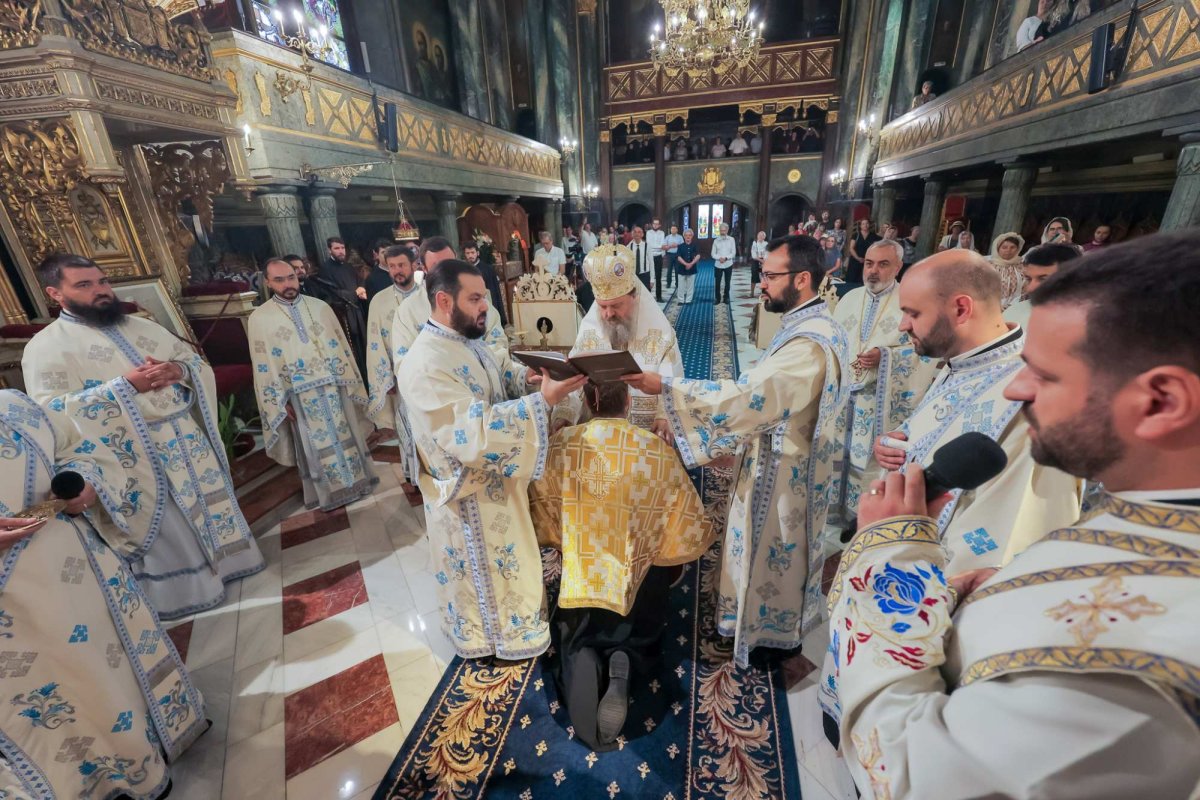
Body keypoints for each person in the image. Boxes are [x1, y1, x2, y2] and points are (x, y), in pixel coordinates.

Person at [826, 228, 1200, 799]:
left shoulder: (1126, 650)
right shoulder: (1149, 521)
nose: (1015, 390)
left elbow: (916, 773)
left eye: (1045, 375)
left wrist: (887, 558)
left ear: (1161, 401)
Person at [823, 248, 1082, 730]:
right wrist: (901, 444)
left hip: (932, 601)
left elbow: (1004, 537)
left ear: (961, 308)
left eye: (912, 313)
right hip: (900, 557)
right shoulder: (964, 362)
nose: (903, 325)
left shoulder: (1027, 401)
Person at [623, 235, 849, 667]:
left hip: (785, 474)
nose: (761, 283)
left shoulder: (809, 344)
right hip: (790, 458)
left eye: (770, 275)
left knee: (774, 555)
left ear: (802, 279)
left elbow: (751, 398)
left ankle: (766, 637)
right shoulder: (814, 325)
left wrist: (666, 387)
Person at [22, 254, 264, 619]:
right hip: (134, 453)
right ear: (55, 293)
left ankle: (232, 564)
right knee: (172, 526)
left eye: (102, 281)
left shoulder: (141, 326)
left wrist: (178, 370)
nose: (101, 290)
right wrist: (124, 387)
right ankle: (189, 591)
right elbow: (52, 412)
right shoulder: (46, 347)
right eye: (84, 285)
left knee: (209, 507)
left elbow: (193, 362)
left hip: (184, 437)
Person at [0, 390, 207, 798]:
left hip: (87, 574)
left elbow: (76, 447)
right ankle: (102, 780)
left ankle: (147, 746)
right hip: (19, 608)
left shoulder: (13, 405)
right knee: (70, 687)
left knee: (109, 665)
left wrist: (85, 485)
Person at [396, 260, 587, 659]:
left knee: (515, 561)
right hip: (468, 496)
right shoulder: (425, 364)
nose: (485, 306)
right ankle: (493, 640)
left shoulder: (464, 339)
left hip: (495, 483)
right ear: (444, 301)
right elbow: (473, 433)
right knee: (490, 575)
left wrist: (526, 378)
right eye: (475, 299)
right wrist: (543, 402)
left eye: (483, 297)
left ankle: (518, 627)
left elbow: (495, 372)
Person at [530, 381, 714, 749]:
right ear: (629, 402)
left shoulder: (562, 446)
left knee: (576, 639)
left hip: (584, 578)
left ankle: (586, 674)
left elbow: (541, 504)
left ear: (586, 401)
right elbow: (684, 519)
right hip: (636, 579)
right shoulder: (655, 451)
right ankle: (626, 655)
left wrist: (567, 536)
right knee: (646, 603)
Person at [826, 240, 938, 535]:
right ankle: (833, 509)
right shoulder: (849, 299)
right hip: (843, 396)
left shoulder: (910, 302)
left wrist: (884, 357)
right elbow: (832, 341)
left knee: (866, 458)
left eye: (883, 264)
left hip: (878, 401)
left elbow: (924, 352)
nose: (873, 271)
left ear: (898, 267)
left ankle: (860, 516)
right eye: (869, 263)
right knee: (838, 452)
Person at [250, 258, 379, 511]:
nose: (288, 284)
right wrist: (279, 401)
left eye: (291, 277)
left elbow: (341, 348)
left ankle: (358, 483)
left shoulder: (320, 308)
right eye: (279, 280)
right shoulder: (259, 318)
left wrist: (348, 381)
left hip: (334, 387)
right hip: (298, 395)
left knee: (345, 435)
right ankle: (328, 495)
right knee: (313, 447)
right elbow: (263, 366)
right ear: (267, 282)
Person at [553, 244, 683, 438]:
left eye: (616, 305)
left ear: (634, 296)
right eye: (602, 306)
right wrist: (565, 414)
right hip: (598, 439)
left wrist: (664, 417)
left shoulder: (661, 335)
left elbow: (672, 381)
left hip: (646, 438)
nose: (608, 314)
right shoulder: (590, 331)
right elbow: (574, 379)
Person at [365, 244, 425, 492]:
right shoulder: (379, 301)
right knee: (407, 425)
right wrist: (385, 378)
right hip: (401, 377)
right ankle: (413, 474)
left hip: (430, 374)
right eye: (392, 266)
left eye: (401, 265)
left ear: (414, 265)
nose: (397, 270)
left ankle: (434, 470)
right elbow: (375, 342)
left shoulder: (428, 295)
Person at [1004, 242, 1083, 327]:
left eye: (1043, 279)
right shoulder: (1015, 312)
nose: (1031, 288)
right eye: (1029, 279)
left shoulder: (1088, 320)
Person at [321, 236, 369, 372]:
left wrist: (362, 289)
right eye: (336, 248)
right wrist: (354, 293)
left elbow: (360, 281)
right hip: (344, 314)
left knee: (364, 344)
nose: (341, 251)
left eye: (342, 248)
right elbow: (331, 293)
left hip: (357, 311)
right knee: (354, 349)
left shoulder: (349, 267)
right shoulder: (325, 269)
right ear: (329, 250)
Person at [464, 240, 507, 326]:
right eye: (467, 253)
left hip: (487, 305)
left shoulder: (487, 269)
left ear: (477, 253)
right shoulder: (462, 270)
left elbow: (494, 293)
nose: (470, 256)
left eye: (472, 253)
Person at [988, 231, 1026, 309]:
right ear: (997, 249)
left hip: (1015, 309)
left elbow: (1026, 289)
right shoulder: (987, 267)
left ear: (1018, 249)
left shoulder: (1023, 268)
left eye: (1012, 247)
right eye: (1004, 247)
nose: (1008, 250)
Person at [846, 218, 881, 289]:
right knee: (851, 279)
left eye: (867, 223)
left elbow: (878, 246)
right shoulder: (856, 235)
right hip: (855, 260)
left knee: (863, 280)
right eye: (863, 224)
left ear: (869, 225)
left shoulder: (874, 236)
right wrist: (858, 258)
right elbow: (851, 248)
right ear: (860, 226)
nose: (865, 225)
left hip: (868, 262)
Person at [712, 222, 736, 304]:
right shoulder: (716, 241)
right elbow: (713, 254)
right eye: (721, 231)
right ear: (719, 231)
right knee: (717, 282)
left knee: (727, 282)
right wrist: (719, 258)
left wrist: (726, 258)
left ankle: (726, 297)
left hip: (728, 264)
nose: (722, 232)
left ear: (727, 230)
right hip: (718, 264)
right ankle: (717, 298)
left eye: (724, 230)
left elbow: (733, 253)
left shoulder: (732, 240)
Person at [364, 237, 394, 301]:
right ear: (376, 255)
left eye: (390, 251)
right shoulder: (372, 279)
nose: (387, 255)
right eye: (383, 252)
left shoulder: (399, 271)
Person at [674, 228, 700, 303]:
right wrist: (686, 264)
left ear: (692, 236)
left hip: (692, 268)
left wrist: (691, 264)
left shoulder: (695, 245)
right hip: (681, 268)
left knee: (690, 285)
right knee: (681, 285)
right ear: (684, 236)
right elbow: (678, 257)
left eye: (689, 235)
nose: (688, 237)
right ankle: (681, 300)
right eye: (686, 235)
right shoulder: (680, 246)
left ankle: (688, 300)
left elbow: (698, 255)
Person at [645, 218, 667, 302]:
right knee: (649, 276)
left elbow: (662, 244)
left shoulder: (662, 233)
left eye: (657, 224)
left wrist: (660, 247)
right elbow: (649, 244)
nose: (655, 225)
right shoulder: (648, 233)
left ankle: (659, 297)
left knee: (658, 277)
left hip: (658, 256)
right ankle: (649, 297)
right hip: (650, 257)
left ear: (659, 225)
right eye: (654, 224)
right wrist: (660, 247)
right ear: (652, 224)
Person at [627, 225, 651, 291]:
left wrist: (652, 279)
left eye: (639, 232)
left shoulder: (647, 246)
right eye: (635, 232)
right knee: (634, 294)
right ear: (632, 234)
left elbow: (651, 263)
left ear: (642, 234)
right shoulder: (629, 247)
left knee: (645, 294)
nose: (637, 234)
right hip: (633, 275)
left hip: (645, 274)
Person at [663, 223, 684, 292]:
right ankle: (668, 283)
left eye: (674, 229)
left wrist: (677, 245)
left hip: (677, 255)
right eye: (672, 229)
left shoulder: (680, 237)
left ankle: (677, 284)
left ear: (677, 230)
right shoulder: (667, 237)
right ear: (670, 230)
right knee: (669, 270)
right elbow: (664, 247)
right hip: (669, 255)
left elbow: (683, 246)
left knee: (677, 270)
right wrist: (670, 246)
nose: (673, 230)